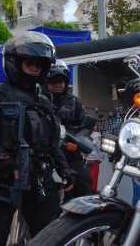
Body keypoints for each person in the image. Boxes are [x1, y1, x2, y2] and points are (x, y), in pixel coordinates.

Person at [0, 31, 72, 246]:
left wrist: (65, 169)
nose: (35, 68)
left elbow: (51, 141)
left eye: (40, 64)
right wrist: (0, 156)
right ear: (14, 62)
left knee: (51, 236)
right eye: (30, 63)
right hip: (1, 181)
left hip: (39, 179)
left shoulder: (44, 101)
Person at [45, 60, 94, 201]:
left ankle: (86, 219)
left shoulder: (74, 101)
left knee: (84, 182)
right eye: (54, 81)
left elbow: (85, 126)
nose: (58, 84)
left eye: (61, 81)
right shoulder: (39, 100)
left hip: (69, 152)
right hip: (45, 154)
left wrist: (78, 141)